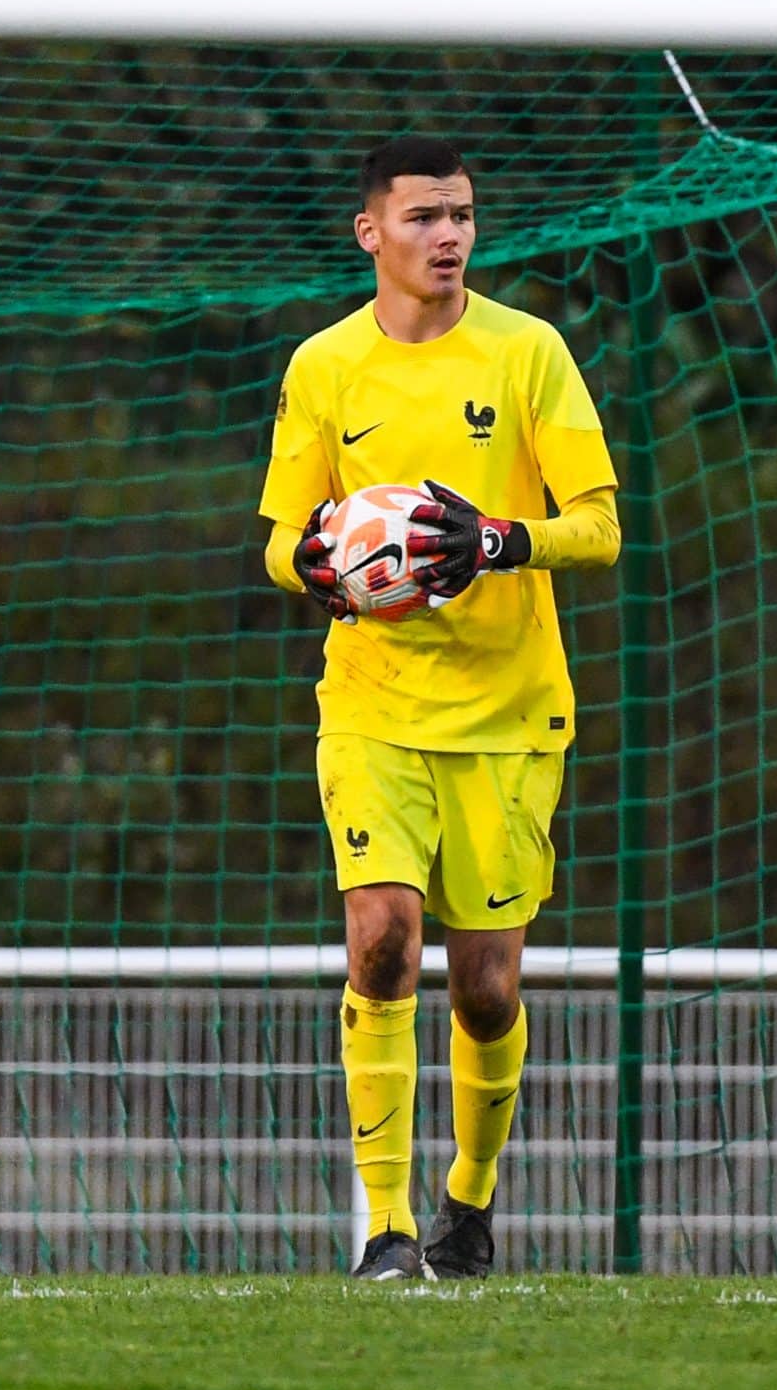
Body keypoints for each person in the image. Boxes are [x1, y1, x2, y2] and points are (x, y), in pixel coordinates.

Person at [257, 136, 620, 1281]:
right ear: (371, 233)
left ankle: (467, 1199)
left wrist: (499, 541)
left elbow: (599, 526)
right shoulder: (324, 365)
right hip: (371, 705)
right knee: (381, 945)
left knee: (487, 984)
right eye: (422, 218)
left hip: (510, 714)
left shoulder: (529, 352)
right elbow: (279, 539)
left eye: (462, 214)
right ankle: (382, 1225)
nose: (449, 236)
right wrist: (317, 568)